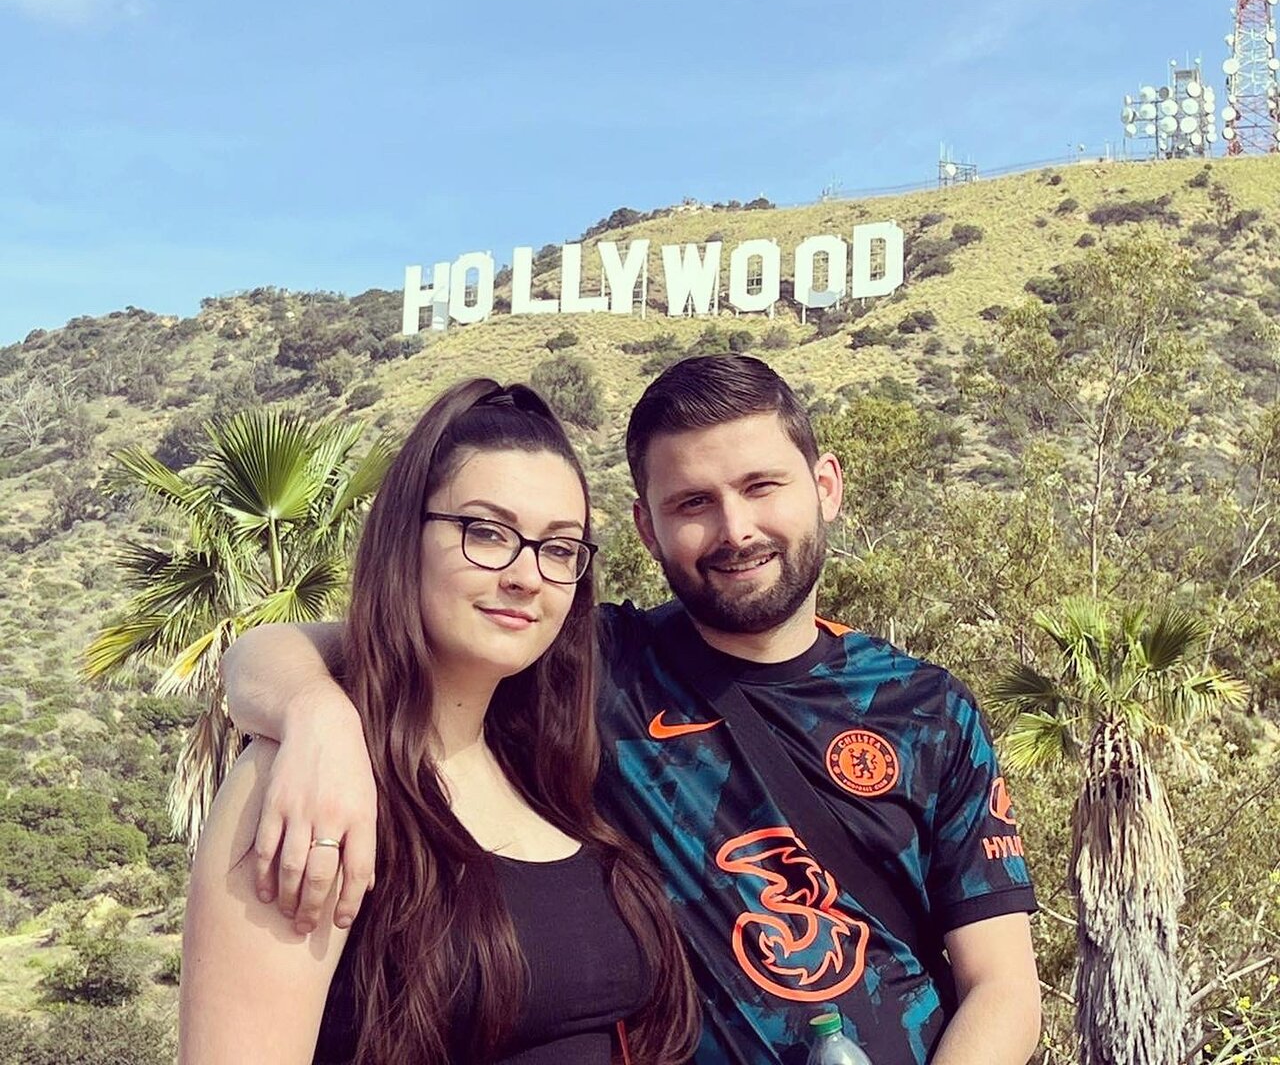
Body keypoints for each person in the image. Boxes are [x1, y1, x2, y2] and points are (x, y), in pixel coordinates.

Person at [224, 355, 1042, 1065]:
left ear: (824, 487)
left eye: (762, 487)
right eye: (693, 504)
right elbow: (291, 647)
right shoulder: (588, 662)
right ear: (648, 530)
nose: (736, 529)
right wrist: (314, 717)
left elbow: (1004, 987)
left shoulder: (927, 709)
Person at [181, 380, 699, 1065]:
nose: (526, 575)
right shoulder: (307, 788)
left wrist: (312, 704)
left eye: (559, 548)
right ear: (406, 539)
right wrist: (318, 716)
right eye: (486, 532)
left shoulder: (547, 767)